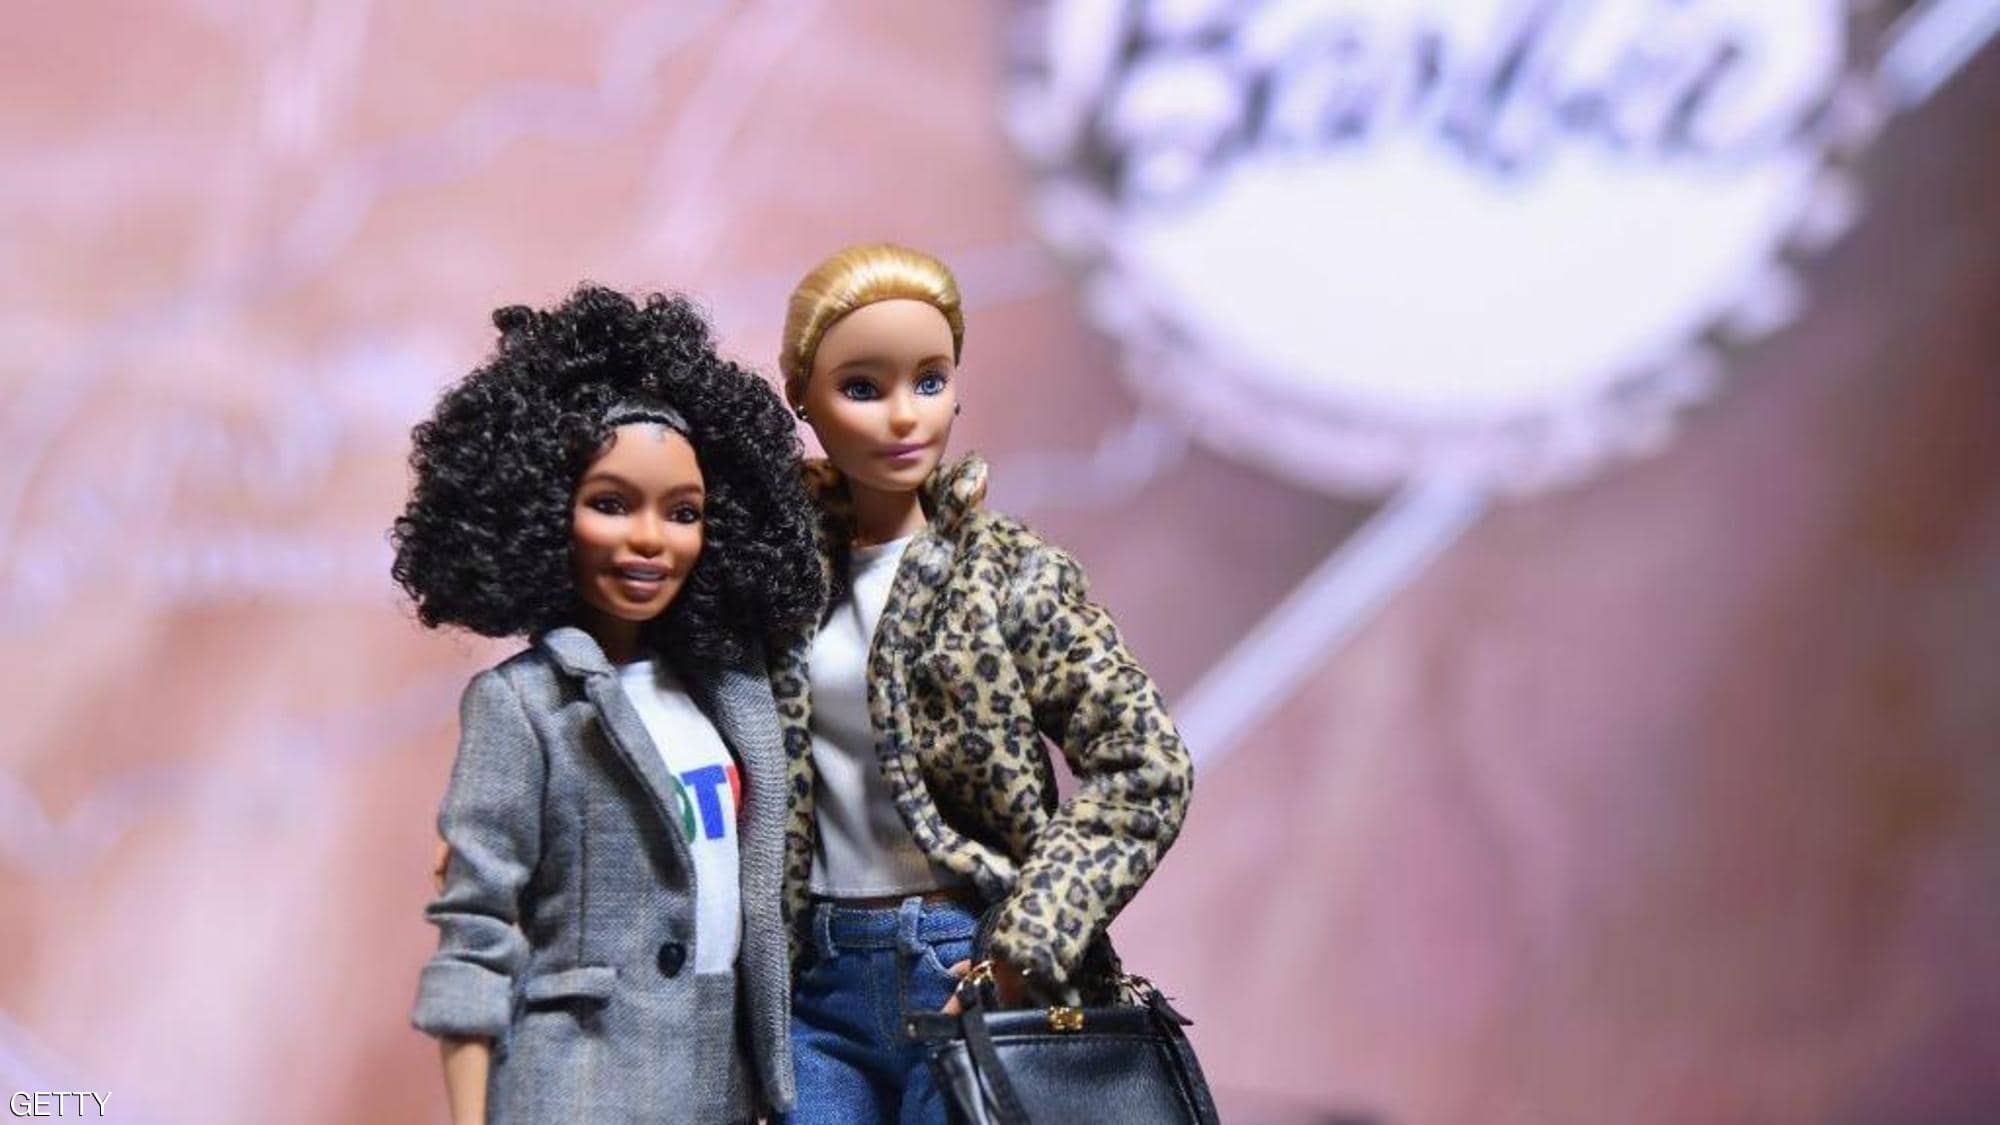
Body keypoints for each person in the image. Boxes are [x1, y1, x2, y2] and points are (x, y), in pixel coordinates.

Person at [772, 242, 1196, 1124]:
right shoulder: (778, 586)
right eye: (863, 386)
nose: (904, 414)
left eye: (929, 380)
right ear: (802, 398)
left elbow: (1146, 763)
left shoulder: (1004, 573)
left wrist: (1029, 938)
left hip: (964, 962)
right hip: (817, 983)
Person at [394, 285, 819, 1124]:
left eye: (684, 512)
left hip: (721, 1086)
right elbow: (475, 935)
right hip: (579, 1084)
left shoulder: (732, 694)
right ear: (546, 509)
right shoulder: (522, 705)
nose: (650, 539)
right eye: (611, 503)